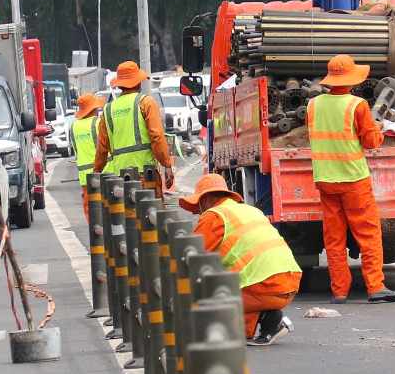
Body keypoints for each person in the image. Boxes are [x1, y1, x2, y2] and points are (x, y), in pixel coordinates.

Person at [306, 54, 395, 305]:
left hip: (325, 179)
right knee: (368, 234)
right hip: (353, 179)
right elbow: (370, 142)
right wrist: (379, 130)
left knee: (334, 238)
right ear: (352, 80)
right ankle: (375, 287)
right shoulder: (357, 105)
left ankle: (339, 291)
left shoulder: (313, 105)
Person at [180, 173, 301, 346]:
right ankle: (267, 321)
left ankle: (265, 318)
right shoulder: (250, 210)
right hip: (289, 281)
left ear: (205, 199)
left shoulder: (214, 215)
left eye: (198, 206)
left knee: (207, 292)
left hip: (263, 285)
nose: (198, 211)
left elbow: (191, 258)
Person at [93, 60, 174, 191]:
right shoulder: (146, 103)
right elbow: (157, 137)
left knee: (125, 211)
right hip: (145, 174)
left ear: (119, 85)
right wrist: (167, 165)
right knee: (149, 209)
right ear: (138, 81)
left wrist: (96, 172)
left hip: (119, 177)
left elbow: (102, 148)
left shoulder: (108, 110)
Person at [70, 92, 105, 219]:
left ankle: (96, 235)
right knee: (107, 208)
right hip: (103, 173)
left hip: (85, 177)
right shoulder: (98, 123)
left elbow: (76, 152)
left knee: (91, 211)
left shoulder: (74, 127)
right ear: (93, 109)